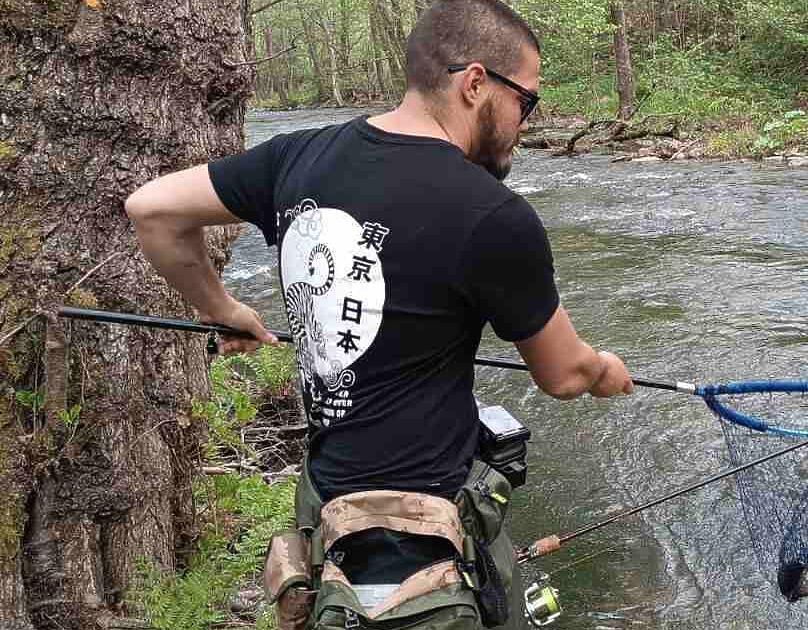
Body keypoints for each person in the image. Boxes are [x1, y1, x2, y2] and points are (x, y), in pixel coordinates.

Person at [124, 0, 633, 626]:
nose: (526, 121)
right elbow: (564, 376)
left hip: (325, 504)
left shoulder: (294, 158)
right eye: (525, 101)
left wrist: (221, 308)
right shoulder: (493, 215)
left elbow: (152, 209)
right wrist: (606, 369)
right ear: (475, 83)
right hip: (421, 534)